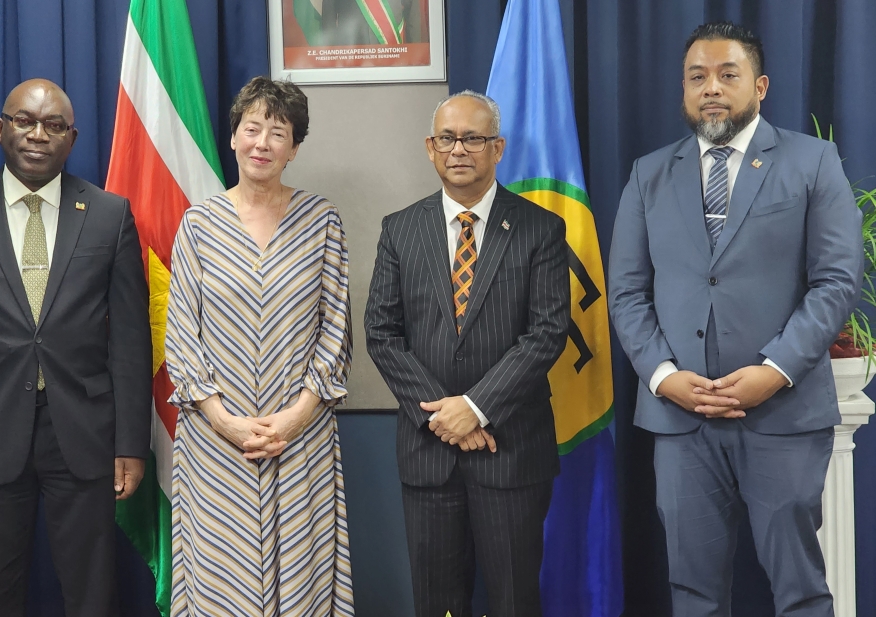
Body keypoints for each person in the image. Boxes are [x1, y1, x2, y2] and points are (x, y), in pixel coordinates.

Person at [608, 22, 862, 617]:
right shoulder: (649, 174)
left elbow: (835, 282)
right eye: (697, 77)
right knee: (692, 593)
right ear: (684, 89)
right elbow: (626, 294)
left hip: (782, 412)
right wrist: (665, 377)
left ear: (760, 86)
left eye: (728, 75)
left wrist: (773, 371)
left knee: (801, 591)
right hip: (681, 418)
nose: (712, 89)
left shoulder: (812, 161)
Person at [0, 78, 152, 617]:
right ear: (1, 129)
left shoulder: (110, 215)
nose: (38, 134)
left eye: (53, 125)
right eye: (25, 121)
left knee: (93, 595)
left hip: (86, 434)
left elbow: (130, 341)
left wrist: (131, 443)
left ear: (72, 138)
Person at [364, 91, 570, 617]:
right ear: (430, 148)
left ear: (497, 148)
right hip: (428, 453)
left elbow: (547, 333)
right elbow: (382, 334)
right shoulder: (399, 229)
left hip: (511, 451)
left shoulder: (541, 228)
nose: (459, 149)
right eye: (447, 138)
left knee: (514, 602)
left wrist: (475, 408)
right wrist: (445, 416)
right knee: (437, 604)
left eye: (473, 138)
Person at [164, 76, 354, 616]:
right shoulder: (199, 224)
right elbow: (182, 334)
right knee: (220, 584)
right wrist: (224, 421)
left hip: (300, 437)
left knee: (302, 581)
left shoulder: (321, 220)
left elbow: (336, 330)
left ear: (294, 148)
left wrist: (296, 417)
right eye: (252, 129)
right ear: (233, 138)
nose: (262, 143)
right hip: (215, 442)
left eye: (278, 132)